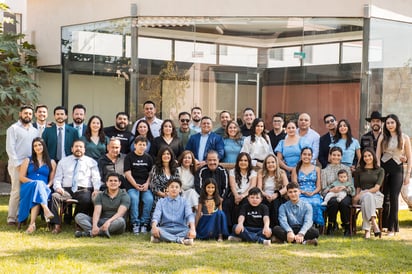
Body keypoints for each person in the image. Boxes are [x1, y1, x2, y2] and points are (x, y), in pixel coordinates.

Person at [50, 140, 101, 234]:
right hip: (66, 189)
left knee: (86, 199)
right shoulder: (64, 161)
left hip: (83, 189)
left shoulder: (91, 162)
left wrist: (96, 189)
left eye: (81, 147)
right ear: (72, 149)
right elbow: (57, 178)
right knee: (55, 196)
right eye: (76, 146)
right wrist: (58, 187)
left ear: (84, 149)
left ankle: (79, 224)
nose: (78, 148)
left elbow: (96, 178)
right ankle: (56, 225)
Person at [376, 114, 412, 235]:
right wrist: (377, 170)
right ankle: (383, 225)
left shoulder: (405, 137)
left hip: (398, 169)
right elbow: (377, 155)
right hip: (384, 167)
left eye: (392, 122)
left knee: (394, 197)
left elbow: (409, 158)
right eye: (387, 123)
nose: (390, 125)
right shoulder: (383, 136)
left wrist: (408, 175)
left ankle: (393, 228)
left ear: (397, 123)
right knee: (384, 196)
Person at [6, 105, 39, 225]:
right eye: (25, 113)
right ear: (20, 114)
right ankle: (11, 218)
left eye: (30, 114)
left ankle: (21, 216)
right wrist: (18, 165)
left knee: (25, 191)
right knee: (16, 191)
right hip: (16, 165)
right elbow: (10, 148)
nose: (28, 116)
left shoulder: (35, 131)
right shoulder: (13, 128)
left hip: (30, 165)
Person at [74, 172, 130, 238]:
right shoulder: (100, 195)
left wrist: (108, 222)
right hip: (101, 221)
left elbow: (120, 213)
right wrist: (95, 225)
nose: (113, 183)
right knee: (79, 216)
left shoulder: (124, 195)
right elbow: (97, 212)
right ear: (106, 183)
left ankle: (89, 233)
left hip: (115, 222)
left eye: (115, 181)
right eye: (110, 181)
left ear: (119, 183)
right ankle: (98, 231)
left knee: (121, 221)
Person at [18, 137, 56, 233]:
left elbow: (51, 180)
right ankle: (46, 209)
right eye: (35, 145)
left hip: (44, 188)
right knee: (38, 185)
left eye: (39, 145)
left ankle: (32, 224)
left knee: (38, 191)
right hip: (28, 186)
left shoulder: (51, 162)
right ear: (33, 148)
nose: (37, 147)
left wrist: (47, 186)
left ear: (43, 146)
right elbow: (21, 177)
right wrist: (35, 183)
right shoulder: (27, 160)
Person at [151, 178, 196, 245]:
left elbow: (189, 215)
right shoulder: (161, 202)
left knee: (189, 232)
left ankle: (162, 238)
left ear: (180, 190)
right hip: (166, 228)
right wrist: (154, 227)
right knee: (153, 230)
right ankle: (180, 240)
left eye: (176, 187)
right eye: (172, 187)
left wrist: (192, 229)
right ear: (167, 189)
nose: (174, 189)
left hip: (181, 229)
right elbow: (156, 216)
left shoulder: (185, 202)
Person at [124, 136, 154, 235]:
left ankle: (144, 223)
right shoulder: (129, 157)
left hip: (145, 185)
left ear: (146, 146)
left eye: (144, 145)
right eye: (140, 144)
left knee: (149, 199)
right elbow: (127, 173)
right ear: (135, 145)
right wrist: (135, 185)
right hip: (132, 185)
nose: (142, 146)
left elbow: (151, 173)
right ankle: (135, 223)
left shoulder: (148, 157)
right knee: (134, 198)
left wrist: (147, 184)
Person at [353, 148, 385, 239]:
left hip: (376, 195)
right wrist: (357, 197)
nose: (367, 158)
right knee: (367, 198)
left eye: (369, 155)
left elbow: (376, 188)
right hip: (363, 196)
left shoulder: (380, 170)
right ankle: (374, 224)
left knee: (367, 199)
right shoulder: (359, 170)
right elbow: (358, 186)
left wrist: (362, 194)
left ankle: (367, 231)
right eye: (365, 156)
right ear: (362, 158)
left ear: (373, 156)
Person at [320, 146, 353, 235]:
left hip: (345, 193)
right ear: (330, 156)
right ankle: (330, 225)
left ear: (341, 156)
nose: (336, 157)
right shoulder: (324, 171)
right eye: (333, 155)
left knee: (344, 203)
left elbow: (351, 187)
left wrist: (344, 188)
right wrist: (331, 190)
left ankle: (347, 226)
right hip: (330, 194)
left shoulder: (346, 169)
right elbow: (323, 189)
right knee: (333, 202)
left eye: (338, 155)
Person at [291, 147, 324, 226]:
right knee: (303, 203)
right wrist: (303, 192)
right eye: (304, 154)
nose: (306, 156)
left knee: (315, 203)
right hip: (300, 193)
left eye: (309, 155)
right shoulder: (295, 169)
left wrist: (313, 193)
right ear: (301, 155)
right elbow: (294, 185)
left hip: (314, 193)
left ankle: (315, 224)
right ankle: (303, 223)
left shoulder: (317, 169)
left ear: (312, 156)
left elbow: (319, 186)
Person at [225, 152, 257, 229]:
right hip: (235, 194)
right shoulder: (232, 171)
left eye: (245, 160)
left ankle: (241, 227)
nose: (243, 162)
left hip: (247, 195)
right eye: (241, 160)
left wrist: (242, 196)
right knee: (227, 203)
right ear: (238, 162)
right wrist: (236, 196)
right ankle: (229, 228)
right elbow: (232, 185)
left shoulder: (253, 173)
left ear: (249, 162)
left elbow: (252, 186)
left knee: (244, 203)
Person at [257, 154, 288, 227]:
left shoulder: (282, 172)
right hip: (264, 195)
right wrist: (265, 194)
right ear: (265, 164)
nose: (271, 164)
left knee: (275, 203)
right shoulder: (261, 172)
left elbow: (287, 187)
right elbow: (259, 188)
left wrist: (277, 194)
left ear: (276, 163)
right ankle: (265, 227)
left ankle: (276, 227)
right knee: (264, 204)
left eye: (273, 162)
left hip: (277, 195)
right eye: (268, 163)